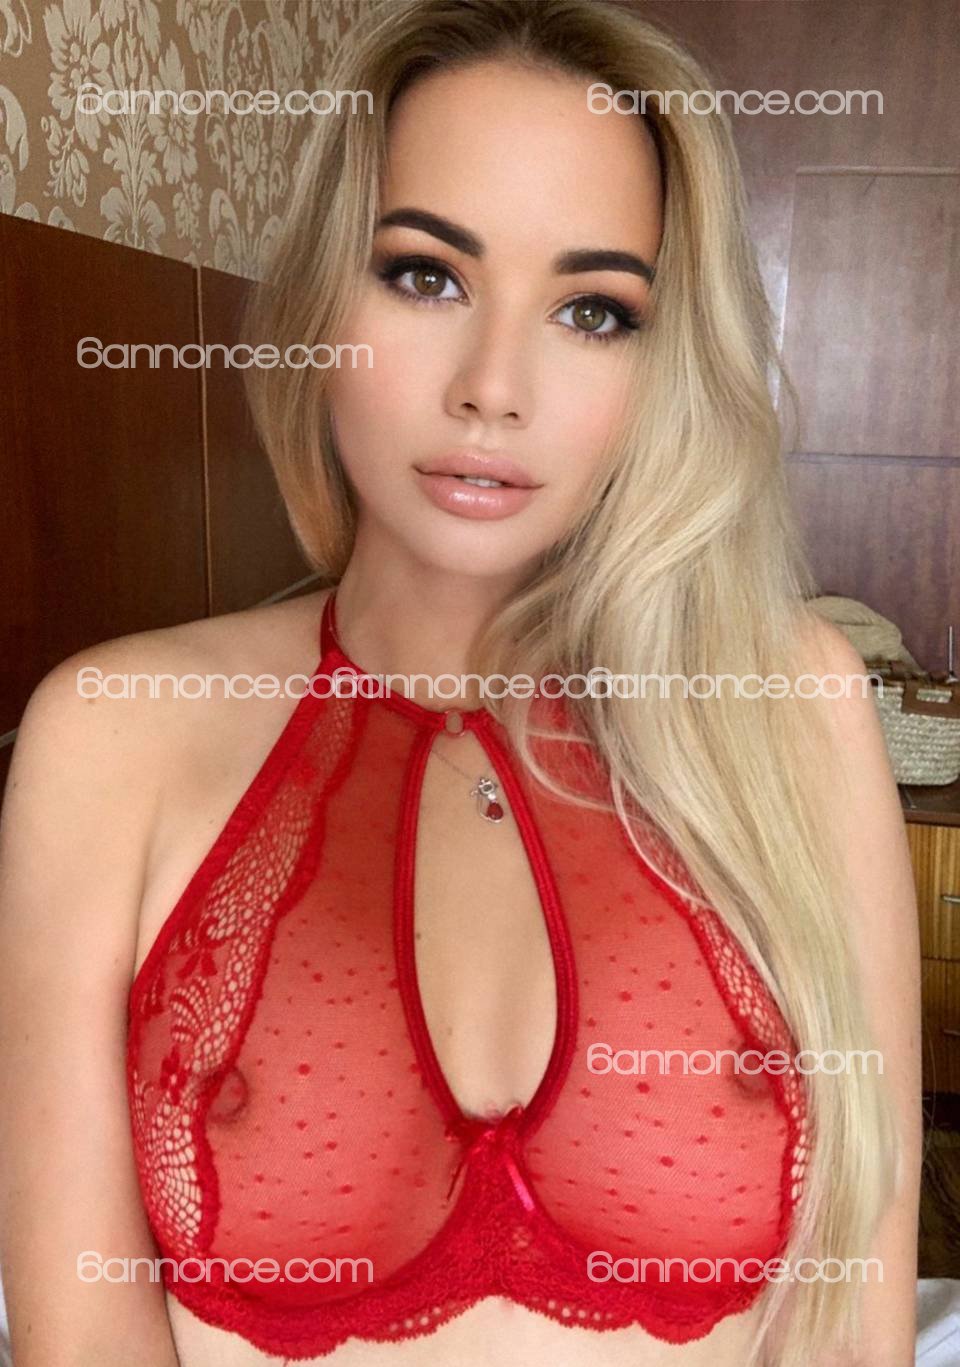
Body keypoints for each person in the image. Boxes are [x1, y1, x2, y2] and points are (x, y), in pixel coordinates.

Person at [0, 2, 921, 1365]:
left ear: (665, 362)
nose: (495, 388)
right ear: (318, 303)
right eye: (426, 276)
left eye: (593, 311)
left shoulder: (792, 705)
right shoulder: (112, 739)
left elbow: (852, 1318)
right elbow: (82, 1340)